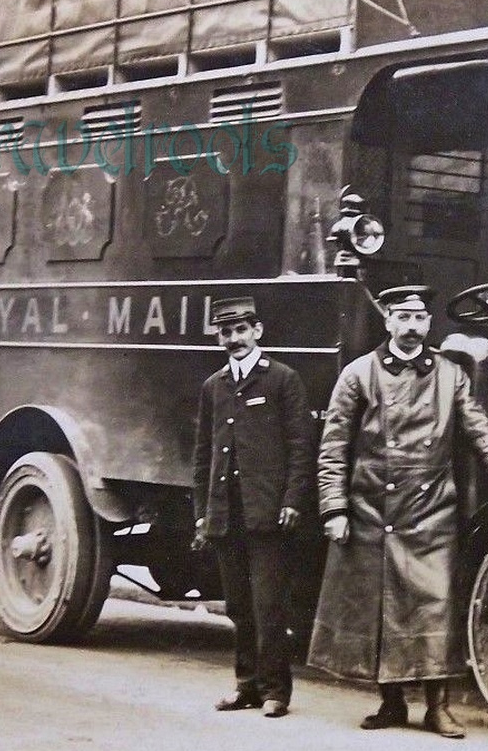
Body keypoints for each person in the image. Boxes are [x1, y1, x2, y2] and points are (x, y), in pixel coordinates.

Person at [309, 285, 488, 739]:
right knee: (383, 609)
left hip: (431, 510)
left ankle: (437, 708)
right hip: (374, 507)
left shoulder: (450, 375)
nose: (412, 327)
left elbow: (480, 430)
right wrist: (334, 508)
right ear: (387, 320)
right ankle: (391, 703)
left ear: (429, 324)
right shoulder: (359, 373)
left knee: (434, 607)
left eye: (420, 318)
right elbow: (333, 448)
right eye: (403, 317)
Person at [190, 296, 315, 718]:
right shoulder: (214, 386)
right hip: (227, 514)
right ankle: (246, 685)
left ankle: (276, 691)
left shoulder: (282, 380)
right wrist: (202, 512)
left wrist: (293, 500)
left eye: (241, 330)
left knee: (269, 607)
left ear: (257, 331)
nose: (234, 339)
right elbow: (204, 454)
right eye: (226, 332)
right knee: (239, 606)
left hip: (268, 514)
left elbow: (301, 447)